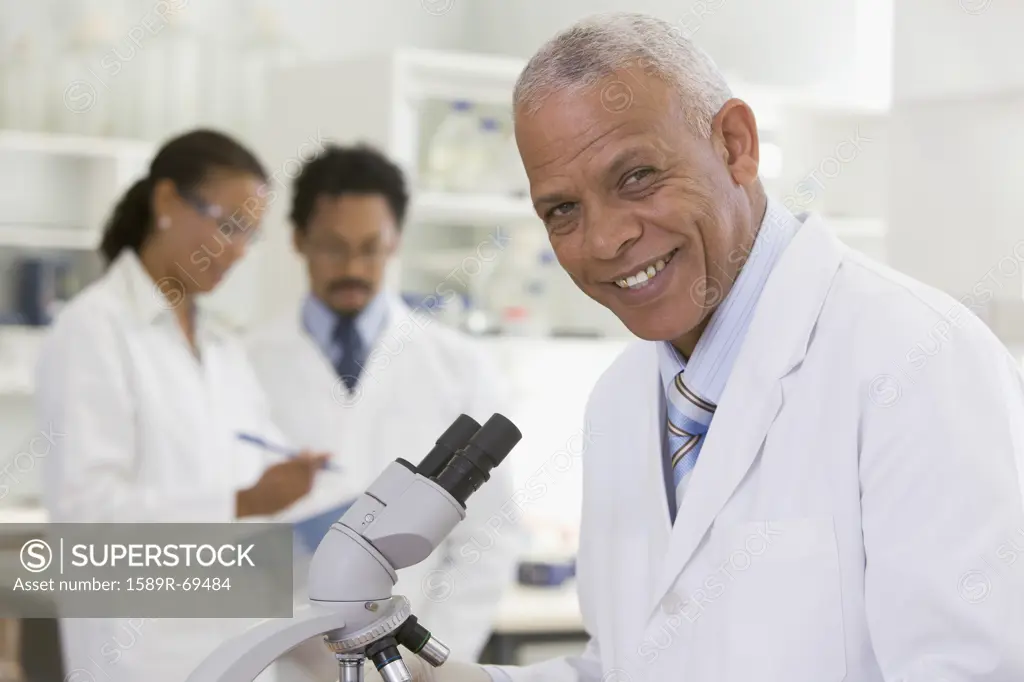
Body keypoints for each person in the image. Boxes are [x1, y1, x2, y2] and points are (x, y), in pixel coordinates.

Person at [382, 11, 1024, 682]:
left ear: (735, 144)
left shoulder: (917, 361)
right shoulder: (621, 399)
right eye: (562, 210)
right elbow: (631, 665)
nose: (605, 240)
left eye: (636, 177)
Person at [35, 129, 330, 682]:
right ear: (167, 201)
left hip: (237, 655)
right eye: (228, 225)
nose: (240, 250)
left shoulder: (221, 347)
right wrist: (241, 502)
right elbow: (87, 522)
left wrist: (302, 486)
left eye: (251, 235)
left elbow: (257, 468)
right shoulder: (93, 332)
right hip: (140, 662)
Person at [244, 144, 519, 679]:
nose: (353, 268)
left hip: (412, 663)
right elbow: (224, 533)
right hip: (285, 664)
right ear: (299, 240)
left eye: (371, 248)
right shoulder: (242, 364)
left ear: (395, 240)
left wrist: (429, 660)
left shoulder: (458, 366)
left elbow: (491, 534)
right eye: (333, 248)